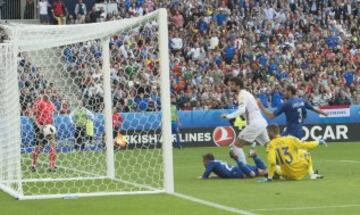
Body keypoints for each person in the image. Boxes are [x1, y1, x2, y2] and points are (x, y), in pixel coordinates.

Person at [221, 77, 270, 164]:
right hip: (261, 122)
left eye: (232, 85)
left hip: (255, 124)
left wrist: (228, 116)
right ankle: (281, 166)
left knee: (236, 146)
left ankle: (245, 170)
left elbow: (242, 110)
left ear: (238, 86)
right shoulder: (247, 94)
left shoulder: (242, 95)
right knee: (269, 147)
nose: (230, 86)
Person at [258, 85, 328, 139]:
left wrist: (261, 106)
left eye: (285, 91)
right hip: (298, 132)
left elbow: (270, 116)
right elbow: (314, 109)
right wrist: (324, 113)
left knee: (278, 145)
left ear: (289, 92)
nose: (283, 93)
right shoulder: (302, 101)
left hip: (291, 133)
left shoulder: (287, 104)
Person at [260, 124, 326, 182]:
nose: (267, 134)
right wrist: (318, 142)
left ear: (271, 132)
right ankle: (312, 174)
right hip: (298, 172)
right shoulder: (290, 139)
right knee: (305, 152)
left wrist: (269, 178)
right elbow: (305, 145)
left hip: (286, 174)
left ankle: (281, 176)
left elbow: (272, 162)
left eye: (268, 132)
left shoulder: (270, 145)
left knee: (276, 167)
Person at [31, 91, 57, 172]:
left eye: (50, 93)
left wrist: (52, 125)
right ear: (44, 94)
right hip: (42, 126)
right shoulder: (39, 103)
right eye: (47, 93)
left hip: (50, 127)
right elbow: (32, 115)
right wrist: (39, 126)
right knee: (40, 146)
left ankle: (52, 165)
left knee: (53, 145)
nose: (48, 94)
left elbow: (52, 114)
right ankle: (33, 165)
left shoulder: (51, 104)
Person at [201, 150, 267, 179]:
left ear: (207, 160)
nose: (203, 163)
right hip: (237, 169)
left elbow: (205, 175)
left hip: (235, 171)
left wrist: (203, 177)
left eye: (203, 161)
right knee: (263, 170)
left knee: (252, 174)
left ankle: (236, 159)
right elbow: (223, 172)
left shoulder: (211, 163)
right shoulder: (215, 162)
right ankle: (255, 157)